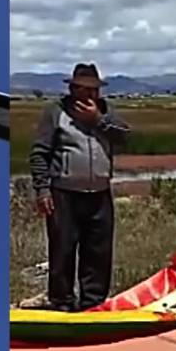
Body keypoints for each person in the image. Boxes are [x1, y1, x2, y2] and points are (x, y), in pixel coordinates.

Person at [27, 63, 130, 311]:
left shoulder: (106, 112)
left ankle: (92, 303)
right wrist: (42, 189)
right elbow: (40, 153)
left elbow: (125, 137)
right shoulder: (56, 112)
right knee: (62, 249)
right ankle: (61, 301)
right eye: (83, 90)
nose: (88, 95)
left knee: (98, 251)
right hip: (64, 193)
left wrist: (97, 120)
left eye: (93, 90)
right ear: (73, 89)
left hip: (99, 193)